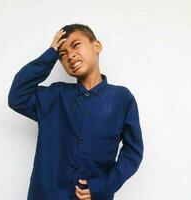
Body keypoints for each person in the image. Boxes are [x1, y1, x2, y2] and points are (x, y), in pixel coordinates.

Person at [8, 23, 144, 200]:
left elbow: (133, 152)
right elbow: (18, 96)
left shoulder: (122, 99)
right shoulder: (54, 96)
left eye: (76, 45)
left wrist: (105, 186)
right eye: (62, 54)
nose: (70, 55)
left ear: (97, 46)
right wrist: (50, 54)